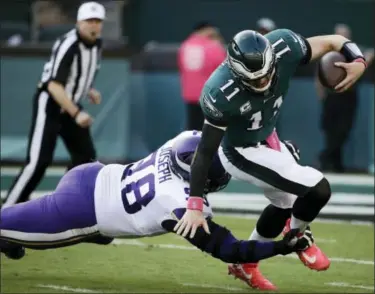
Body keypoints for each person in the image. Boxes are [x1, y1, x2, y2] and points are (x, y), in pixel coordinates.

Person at [174, 28, 367, 290]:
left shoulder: (284, 47)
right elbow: (205, 151)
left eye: (266, 75)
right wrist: (194, 204)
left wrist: (358, 60)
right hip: (241, 151)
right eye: (253, 81)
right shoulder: (220, 91)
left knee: (283, 205)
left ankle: (245, 263)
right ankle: (298, 235)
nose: (262, 83)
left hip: (268, 137)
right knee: (318, 189)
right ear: (237, 73)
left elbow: (334, 41)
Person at [0, 131, 310, 266]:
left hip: (93, 175)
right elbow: (229, 249)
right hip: (81, 211)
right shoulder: (175, 202)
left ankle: (13, 237)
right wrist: (281, 247)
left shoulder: (186, 140)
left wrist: (276, 152)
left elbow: (227, 145)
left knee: (105, 236)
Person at [2, 2, 105, 208]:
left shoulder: (96, 44)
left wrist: (89, 90)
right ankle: (7, 213)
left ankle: (68, 204)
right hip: (51, 103)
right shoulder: (69, 44)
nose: (93, 25)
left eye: (97, 21)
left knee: (86, 158)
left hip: (71, 105)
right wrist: (77, 113)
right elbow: (54, 86)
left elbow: (80, 75)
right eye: (88, 21)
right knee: (38, 162)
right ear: (78, 22)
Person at [317, 23, 374, 172]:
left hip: (348, 96)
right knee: (330, 129)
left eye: (345, 35)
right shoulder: (328, 52)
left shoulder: (355, 52)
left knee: (344, 130)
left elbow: (365, 60)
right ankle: (334, 162)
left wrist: (367, 57)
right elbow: (320, 74)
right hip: (332, 96)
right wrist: (321, 93)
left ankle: (327, 158)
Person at [178, 22, 226, 131]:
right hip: (208, 94)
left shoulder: (185, 46)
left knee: (192, 125)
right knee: (208, 127)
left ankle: (190, 146)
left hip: (189, 94)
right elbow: (223, 68)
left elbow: (181, 67)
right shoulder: (213, 46)